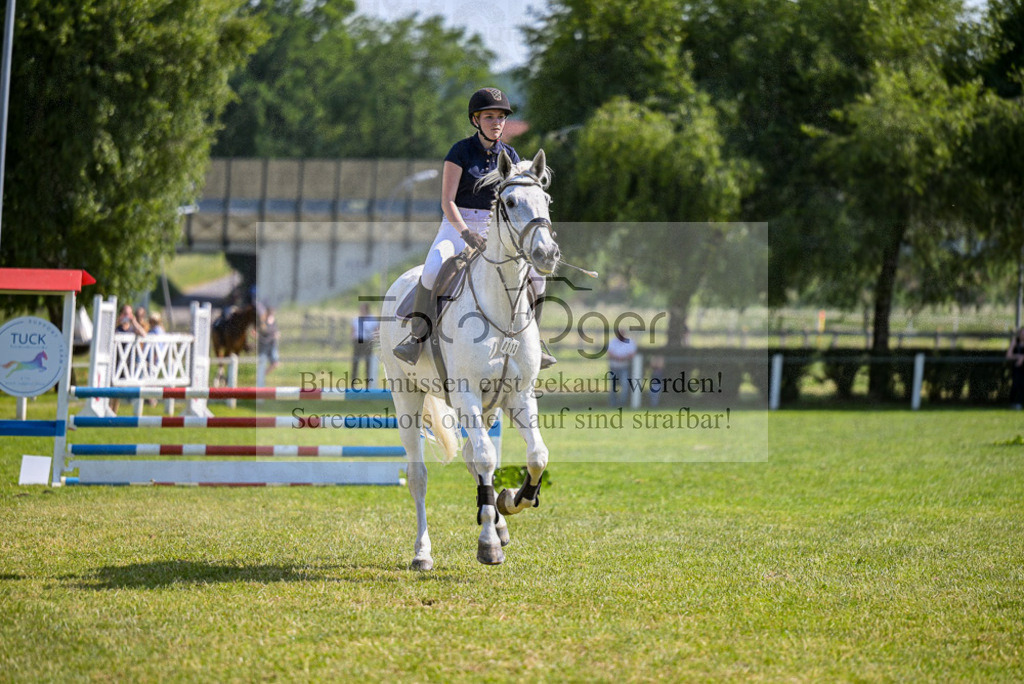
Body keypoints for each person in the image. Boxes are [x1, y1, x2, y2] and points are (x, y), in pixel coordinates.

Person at [392, 87, 555, 368]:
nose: (496, 122)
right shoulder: (461, 152)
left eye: (501, 117)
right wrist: (466, 232)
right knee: (432, 269)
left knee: (537, 280)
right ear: (475, 120)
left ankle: (534, 342)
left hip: (496, 230)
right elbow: (447, 201)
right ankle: (416, 339)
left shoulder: (511, 155)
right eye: (489, 116)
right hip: (457, 226)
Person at [607, 329, 637, 407]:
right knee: (613, 387)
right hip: (614, 367)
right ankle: (613, 404)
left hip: (624, 367)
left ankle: (622, 403)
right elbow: (609, 354)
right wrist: (618, 358)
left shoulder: (630, 342)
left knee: (625, 386)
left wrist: (623, 358)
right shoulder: (612, 342)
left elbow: (632, 354)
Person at [351, 303, 379, 388]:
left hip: (367, 342)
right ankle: (353, 384)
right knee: (355, 363)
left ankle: (368, 384)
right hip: (357, 341)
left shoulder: (372, 319)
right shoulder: (356, 319)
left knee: (368, 364)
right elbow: (352, 331)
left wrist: (374, 340)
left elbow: (376, 330)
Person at [257, 307, 280, 374]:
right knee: (262, 363)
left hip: (272, 344)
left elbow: (275, 330)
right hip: (263, 345)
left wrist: (277, 334)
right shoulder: (262, 322)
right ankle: (261, 376)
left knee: (275, 363)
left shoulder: (274, 321)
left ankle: (263, 374)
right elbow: (259, 331)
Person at [1007, 326, 1024, 410]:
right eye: (1022, 333)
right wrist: (1018, 356)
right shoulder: (1015, 341)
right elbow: (1009, 355)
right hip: (1017, 367)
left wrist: (1022, 358)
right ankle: (1013, 402)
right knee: (1016, 383)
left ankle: (1020, 403)